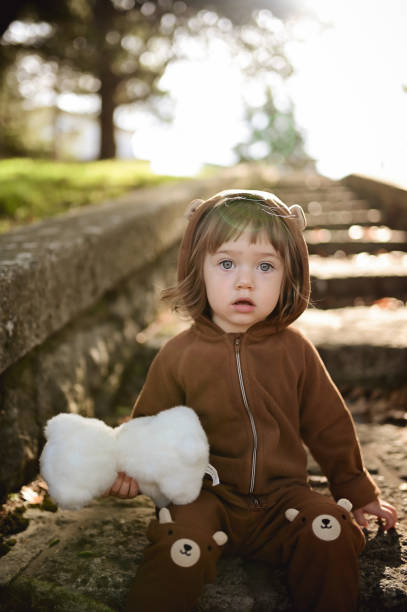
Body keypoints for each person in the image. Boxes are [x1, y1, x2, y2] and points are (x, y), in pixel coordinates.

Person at [106, 190, 397, 612]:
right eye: (226, 263)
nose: (245, 281)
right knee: (178, 548)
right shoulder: (178, 355)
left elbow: (328, 423)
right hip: (204, 498)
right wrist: (128, 466)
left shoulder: (294, 350)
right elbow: (147, 427)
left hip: (284, 499)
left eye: (265, 266)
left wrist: (356, 488)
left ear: (288, 275)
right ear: (197, 269)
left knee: (329, 529)